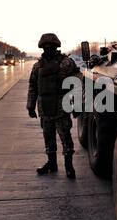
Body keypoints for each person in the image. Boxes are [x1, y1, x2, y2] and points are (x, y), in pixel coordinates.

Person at [27, 33, 78, 179]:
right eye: (45, 47)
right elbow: (33, 87)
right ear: (42, 48)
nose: (48, 49)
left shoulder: (66, 63)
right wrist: (30, 106)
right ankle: (51, 163)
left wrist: (77, 106)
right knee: (48, 139)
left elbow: (76, 84)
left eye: (51, 46)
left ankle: (69, 166)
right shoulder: (37, 66)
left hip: (62, 109)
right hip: (45, 109)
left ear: (56, 47)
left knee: (66, 139)